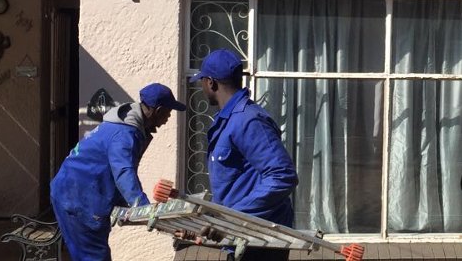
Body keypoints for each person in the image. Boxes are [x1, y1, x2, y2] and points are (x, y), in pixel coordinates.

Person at [181, 49, 298, 261]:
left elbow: (282, 176)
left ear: (211, 83)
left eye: (202, 81)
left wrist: (232, 218)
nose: (201, 87)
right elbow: (234, 182)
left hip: (259, 241)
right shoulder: (228, 121)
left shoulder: (248, 120)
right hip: (240, 237)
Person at [50, 83, 186, 261]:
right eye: (168, 112)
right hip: (77, 198)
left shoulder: (128, 127)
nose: (168, 118)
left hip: (78, 192)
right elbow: (124, 173)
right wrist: (143, 209)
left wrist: (126, 207)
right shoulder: (124, 134)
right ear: (157, 110)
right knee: (94, 257)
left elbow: (115, 171)